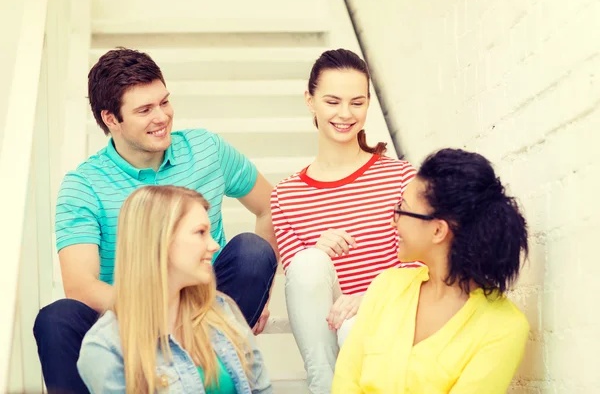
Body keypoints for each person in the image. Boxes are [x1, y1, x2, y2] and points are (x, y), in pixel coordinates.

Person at [33, 47, 278, 393]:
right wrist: (156, 308)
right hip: (124, 320)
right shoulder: (83, 185)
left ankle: (209, 367)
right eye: (145, 110)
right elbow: (81, 286)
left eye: (164, 102)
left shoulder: (205, 149)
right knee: (57, 318)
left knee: (253, 252)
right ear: (111, 119)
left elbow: (271, 205)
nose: (162, 116)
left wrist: (263, 291)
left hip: (203, 309)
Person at [270, 48, 421, 393]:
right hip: (330, 340)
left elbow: (422, 266)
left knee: (355, 326)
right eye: (332, 101)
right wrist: (319, 253)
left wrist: (371, 298)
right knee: (308, 263)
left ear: (369, 103)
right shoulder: (285, 195)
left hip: (386, 326)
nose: (345, 114)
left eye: (357, 102)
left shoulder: (400, 177)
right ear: (310, 101)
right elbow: (301, 289)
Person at [332, 148, 530, 393]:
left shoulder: (503, 328)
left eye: (402, 209)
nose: (393, 220)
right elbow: (345, 382)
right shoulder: (387, 285)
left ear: (438, 231)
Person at [77, 185, 272, 393]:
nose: (214, 245)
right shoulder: (106, 347)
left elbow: (262, 389)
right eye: (200, 232)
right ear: (160, 239)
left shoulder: (223, 311)